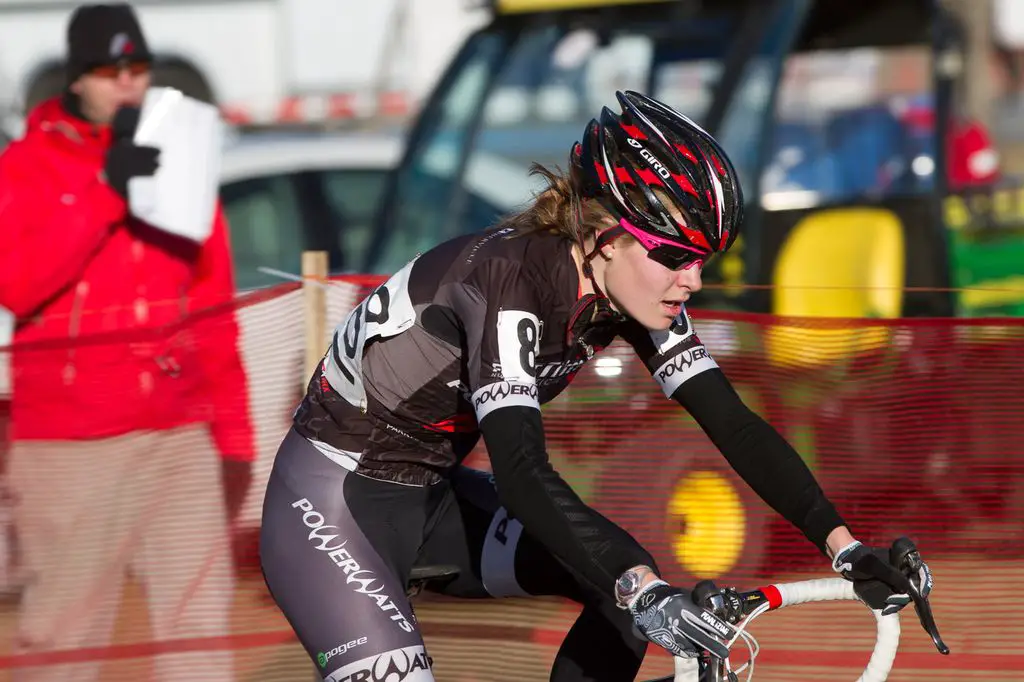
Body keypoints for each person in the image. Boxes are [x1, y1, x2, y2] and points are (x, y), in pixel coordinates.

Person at [259, 91, 933, 682]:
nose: (691, 279)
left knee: (623, 581)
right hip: (331, 506)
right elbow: (523, 475)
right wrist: (643, 592)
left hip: (430, 499)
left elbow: (735, 425)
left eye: (702, 258)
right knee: (632, 584)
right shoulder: (506, 282)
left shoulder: (628, 294)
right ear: (605, 234)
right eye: (673, 255)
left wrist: (844, 549)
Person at [0, 4, 254, 680]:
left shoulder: (180, 157)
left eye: (138, 69)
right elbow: (17, 286)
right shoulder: (27, 166)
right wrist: (107, 190)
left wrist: (233, 435)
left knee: (199, 630)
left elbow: (212, 305)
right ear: (79, 78)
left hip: (179, 437)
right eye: (113, 71)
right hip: (70, 446)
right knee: (64, 637)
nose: (128, 84)